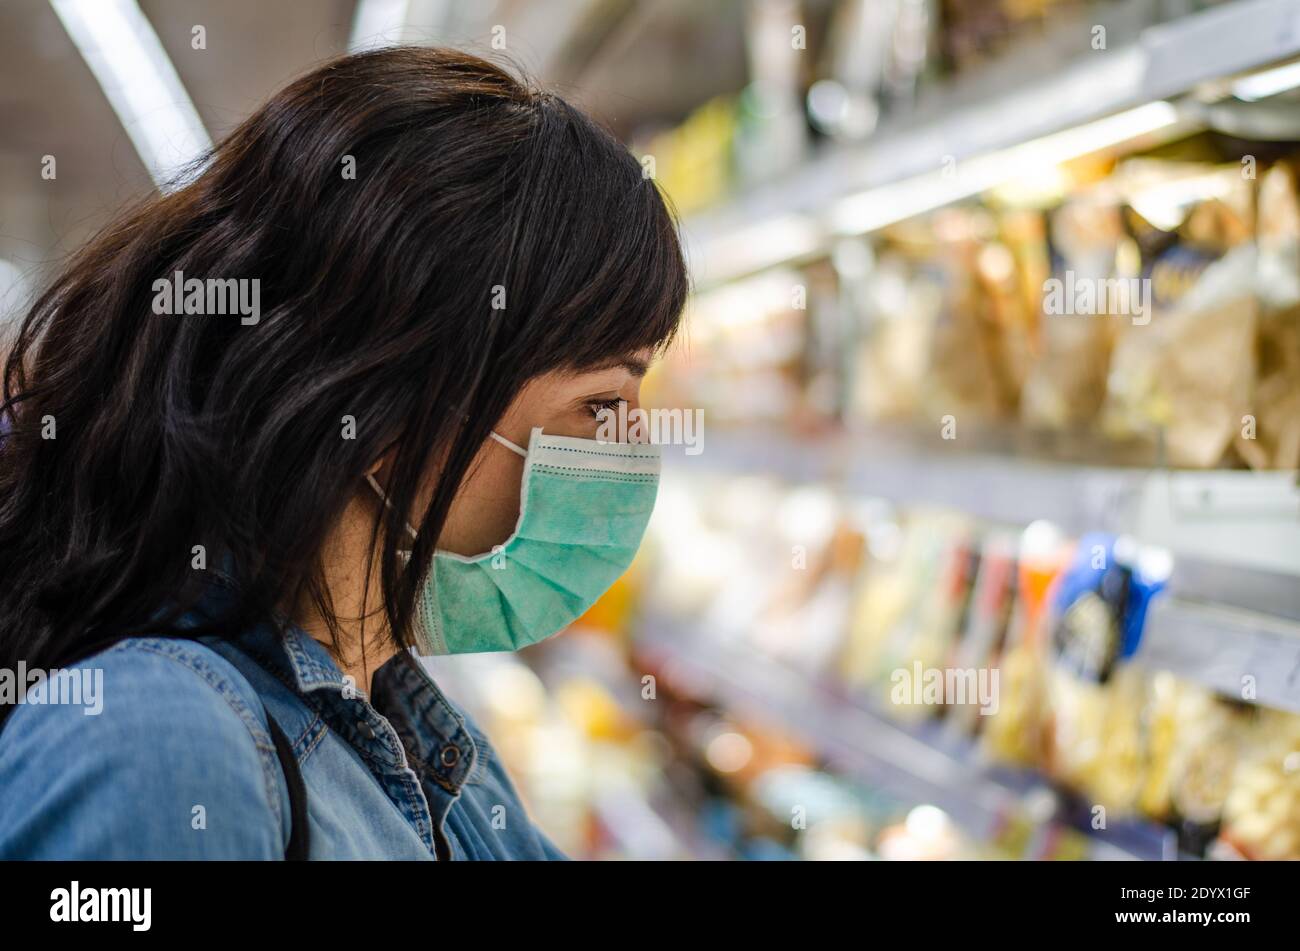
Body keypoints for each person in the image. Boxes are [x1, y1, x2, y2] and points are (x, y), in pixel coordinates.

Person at [0, 46, 687, 860]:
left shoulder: (415, 727)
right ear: (392, 413)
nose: (637, 449)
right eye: (603, 403)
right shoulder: (160, 750)